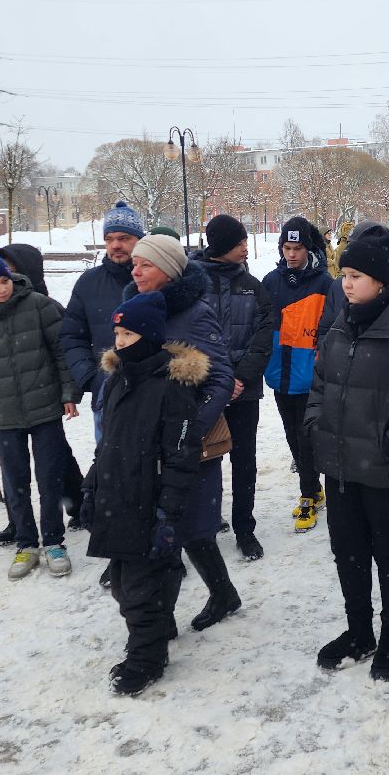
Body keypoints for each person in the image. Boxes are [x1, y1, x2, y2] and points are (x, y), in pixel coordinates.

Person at [305, 225, 389, 681]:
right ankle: (358, 630)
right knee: (347, 550)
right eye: (344, 274)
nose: (346, 283)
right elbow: (321, 383)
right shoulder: (341, 324)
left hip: (386, 469)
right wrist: (315, 425)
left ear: (381, 281)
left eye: (357, 276)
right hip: (341, 464)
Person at [82, 291, 203, 696]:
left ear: (149, 336)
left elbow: (181, 456)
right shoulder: (118, 380)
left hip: (148, 500)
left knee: (135, 589)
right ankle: (159, 626)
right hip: (117, 495)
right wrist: (91, 484)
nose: (119, 342)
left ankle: (146, 658)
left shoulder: (171, 389)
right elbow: (108, 442)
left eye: (128, 333)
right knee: (128, 580)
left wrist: (167, 513)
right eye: (117, 333)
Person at [125, 233, 239, 633]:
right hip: (148, 441)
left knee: (189, 527)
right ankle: (174, 611)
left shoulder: (193, 313)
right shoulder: (135, 307)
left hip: (192, 444)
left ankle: (206, 600)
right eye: (134, 264)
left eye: (145, 264)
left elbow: (222, 378)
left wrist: (189, 433)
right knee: (169, 528)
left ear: (169, 271)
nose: (135, 271)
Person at [0, 241, 79, 581]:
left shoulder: (38, 306)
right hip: (5, 413)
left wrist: (67, 392)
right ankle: (26, 543)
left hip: (45, 409)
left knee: (49, 478)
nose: (1, 288)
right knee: (16, 482)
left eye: (4, 280)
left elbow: (60, 353)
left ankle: (54, 541)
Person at [194, 215, 273, 561]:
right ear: (222, 245)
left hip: (244, 390)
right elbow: (188, 336)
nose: (245, 247)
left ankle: (245, 528)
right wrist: (216, 380)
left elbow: (264, 333)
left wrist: (240, 377)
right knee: (202, 459)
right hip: (202, 389)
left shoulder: (253, 286)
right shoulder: (191, 283)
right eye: (239, 241)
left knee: (245, 461)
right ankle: (206, 523)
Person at [264, 216, 341, 532]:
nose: (291, 254)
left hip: (310, 375)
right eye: (286, 247)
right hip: (281, 373)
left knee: (308, 437)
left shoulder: (325, 284)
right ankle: (313, 487)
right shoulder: (271, 281)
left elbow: (332, 328)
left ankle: (309, 494)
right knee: (292, 437)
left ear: (308, 249)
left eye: (297, 248)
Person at [60, 200, 143, 437]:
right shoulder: (88, 283)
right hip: (107, 394)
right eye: (110, 239)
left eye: (124, 238)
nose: (116, 245)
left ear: (139, 239)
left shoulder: (155, 278)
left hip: (153, 392)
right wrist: (91, 377)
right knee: (109, 465)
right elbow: (72, 336)